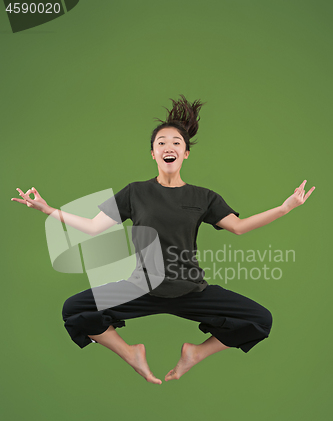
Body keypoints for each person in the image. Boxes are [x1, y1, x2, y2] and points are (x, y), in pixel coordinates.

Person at [11, 95, 315, 385]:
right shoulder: (135, 192)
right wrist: (48, 209)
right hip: (140, 286)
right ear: (153, 153)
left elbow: (238, 226)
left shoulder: (203, 197)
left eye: (176, 142)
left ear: (185, 153)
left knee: (260, 320)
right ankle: (131, 353)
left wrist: (285, 208)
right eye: (161, 142)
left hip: (189, 289)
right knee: (74, 310)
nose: (168, 146)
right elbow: (93, 227)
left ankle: (195, 353)